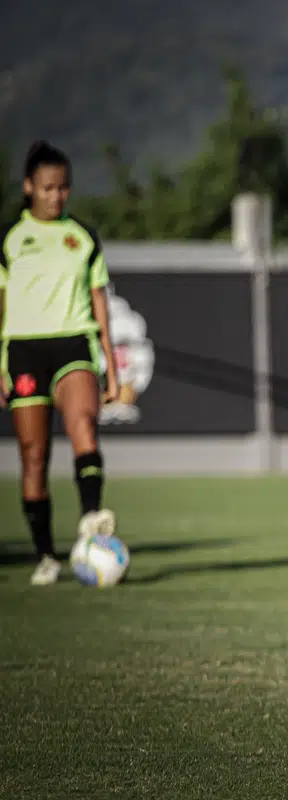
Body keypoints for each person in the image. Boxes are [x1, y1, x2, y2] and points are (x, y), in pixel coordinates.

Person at [1, 141, 120, 585]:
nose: (57, 196)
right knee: (34, 456)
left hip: (73, 344)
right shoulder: (10, 239)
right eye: (49, 187)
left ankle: (92, 517)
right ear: (30, 186)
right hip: (25, 349)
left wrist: (111, 362)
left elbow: (100, 303)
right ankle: (46, 554)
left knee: (84, 425)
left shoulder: (82, 239)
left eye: (64, 188)